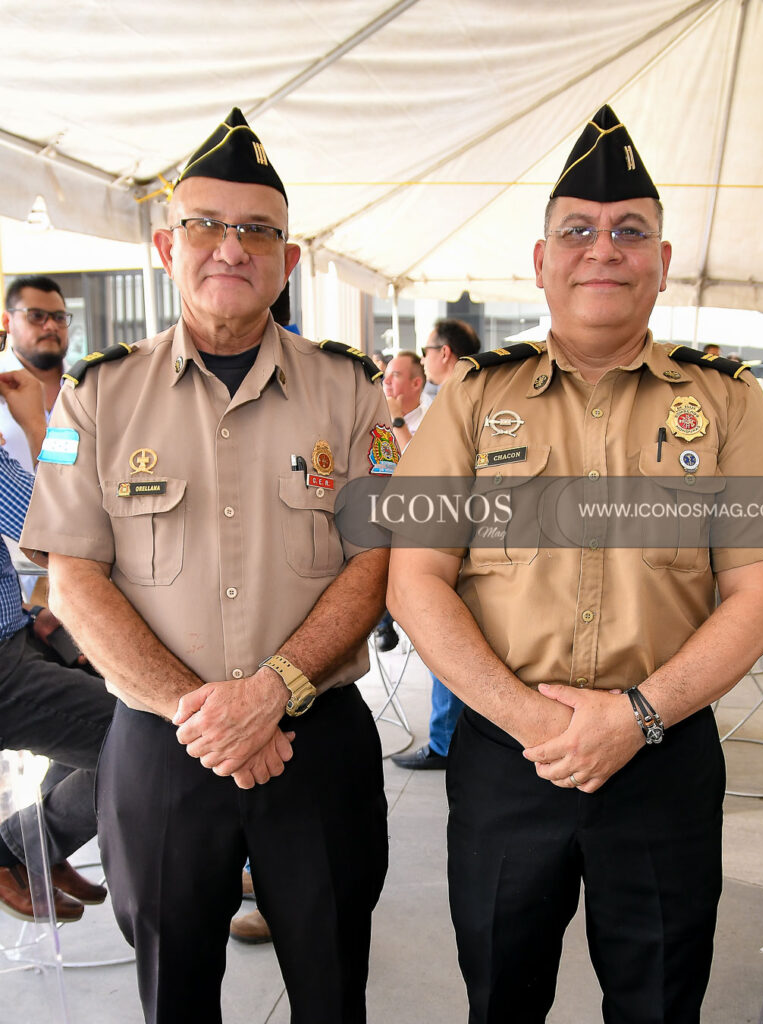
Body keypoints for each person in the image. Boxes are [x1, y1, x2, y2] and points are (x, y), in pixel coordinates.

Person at [385, 104, 763, 1023]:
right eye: (575, 231)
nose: (602, 250)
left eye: (629, 233)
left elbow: (761, 592)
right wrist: (533, 719)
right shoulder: (470, 397)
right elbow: (413, 580)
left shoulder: (728, 401)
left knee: (660, 1003)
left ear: (660, 263)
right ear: (540, 262)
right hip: (508, 759)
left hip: (662, 758)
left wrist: (637, 717)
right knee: (499, 994)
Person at [21, 107, 392, 1024]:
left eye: (257, 230)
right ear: (165, 244)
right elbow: (73, 576)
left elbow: (377, 557)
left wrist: (271, 692)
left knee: (333, 985)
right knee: (173, 989)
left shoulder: (351, 390)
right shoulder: (98, 394)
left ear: (288, 259)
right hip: (160, 745)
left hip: (316, 736)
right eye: (207, 225)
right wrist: (209, 714)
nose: (232, 246)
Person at [0, 367, 114, 923]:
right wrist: (36, 426)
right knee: (135, 739)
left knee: (120, 699)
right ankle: (19, 850)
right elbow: (54, 530)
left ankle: (40, 851)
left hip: (15, 630)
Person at [391, 318, 480, 771]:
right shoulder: (477, 389)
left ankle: (447, 742)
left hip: (451, 541)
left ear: (445, 354)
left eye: (426, 351)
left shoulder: (457, 397)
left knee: (442, 640)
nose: (425, 359)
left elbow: (420, 469)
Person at [373, 351, 428, 653]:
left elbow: (420, 470)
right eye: (387, 374)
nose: (387, 381)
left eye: (396, 375)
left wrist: (396, 420)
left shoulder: (434, 419)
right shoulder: (374, 419)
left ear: (416, 383)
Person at [1, 275, 71, 473]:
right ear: (7, 322)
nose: (50, 326)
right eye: (36, 316)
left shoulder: (90, 386)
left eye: (59, 317)